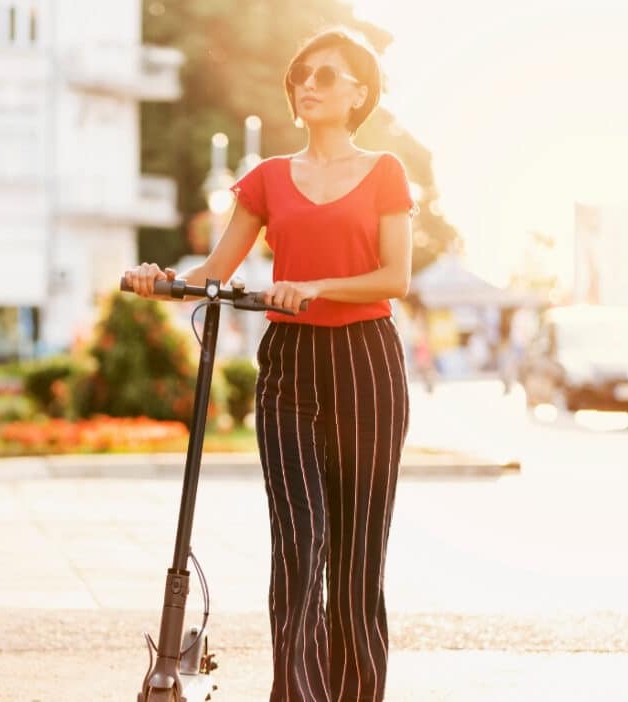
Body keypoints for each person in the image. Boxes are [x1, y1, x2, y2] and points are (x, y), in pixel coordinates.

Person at [124, 27, 415, 702]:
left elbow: (393, 275)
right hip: (290, 366)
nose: (306, 85)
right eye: (300, 77)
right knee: (300, 541)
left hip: (366, 364)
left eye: (324, 76)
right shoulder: (265, 179)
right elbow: (212, 274)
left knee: (356, 561)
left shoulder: (385, 174)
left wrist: (314, 288)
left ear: (358, 94)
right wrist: (159, 278)